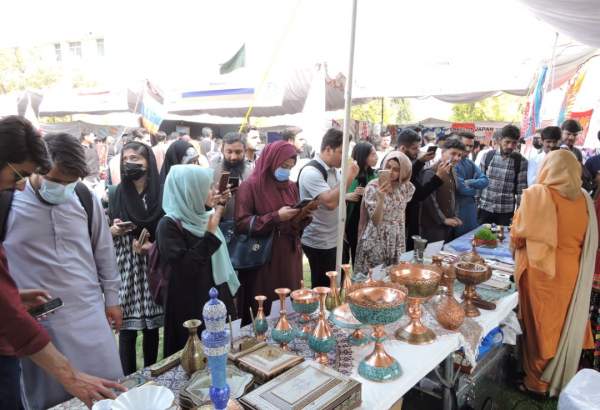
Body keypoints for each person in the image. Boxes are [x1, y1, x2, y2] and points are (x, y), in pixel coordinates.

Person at [0, 116, 125, 409]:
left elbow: (103, 250)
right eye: (55, 181)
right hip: (38, 325)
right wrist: (14, 300)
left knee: (108, 391)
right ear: (38, 169)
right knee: (51, 399)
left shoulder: (83, 197)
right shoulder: (9, 201)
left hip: (88, 314)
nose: (62, 188)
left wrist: (112, 298)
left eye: (70, 183)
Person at [511, 149, 597, 397]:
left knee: (541, 327)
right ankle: (558, 377)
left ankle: (537, 383)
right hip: (572, 273)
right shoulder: (584, 199)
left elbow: (518, 236)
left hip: (542, 273)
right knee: (561, 326)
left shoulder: (540, 194)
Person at [157, 165, 239, 356]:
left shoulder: (203, 215)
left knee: (223, 352)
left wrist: (216, 212)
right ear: (190, 191)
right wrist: (210, 233)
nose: (213, 191)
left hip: (216, 295)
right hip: (189, 305)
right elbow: (186, 267)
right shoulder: (167, 226)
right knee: (194, 360)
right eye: (207, 187)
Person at [235, 141, 313, 323]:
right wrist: (275, 216)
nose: (286, 171)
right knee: (266, 302)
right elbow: (241, 223)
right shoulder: (251, 186)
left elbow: (292, 222)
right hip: (264, 258)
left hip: (289, 255)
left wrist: (303, 215)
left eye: (290, 167)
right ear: (271, 161)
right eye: (283, 166)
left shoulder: (291, 186)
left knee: (288, 303)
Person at [108, 142, 164, 376]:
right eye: (125, 159)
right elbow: (107, 230)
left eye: (135, 159)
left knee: (151, 327)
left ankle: (150, 373)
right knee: (127, 329)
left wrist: (151, 247)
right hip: (127, 265)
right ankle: (128, 378)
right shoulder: (116, 192)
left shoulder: (160, 193)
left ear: (148, 162)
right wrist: (115, 230)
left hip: (152, 263)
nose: (129, 163)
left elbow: (167, 228)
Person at [299, 129, 359, 285]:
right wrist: (349, 177)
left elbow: (337, 196)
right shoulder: (311, 172)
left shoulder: (333, 170)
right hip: (320, 241)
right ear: (327, 149)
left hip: (336, 238)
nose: (345, 157)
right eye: (341, 152)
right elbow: (331, 202)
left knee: (337, 286)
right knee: (324, 289)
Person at [354, 151, 414, 272]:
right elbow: (376, 221)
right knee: (373, 278)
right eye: (388, 166)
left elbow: (402, 212)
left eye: (396, 169)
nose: (391, 172)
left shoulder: (406, 187)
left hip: (397, 237)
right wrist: (381, 198)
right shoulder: (373, 187)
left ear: (404, 171)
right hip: (376, 238)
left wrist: (400, 235)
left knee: (392, 278)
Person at [393, 129, 450, 250]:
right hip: (401, 219)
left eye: (418, 148)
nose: (418, 151)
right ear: (403, 148)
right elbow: (418, 193)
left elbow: (411, 176)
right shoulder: (396, 162)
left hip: (407, 217)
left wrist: (420, 161)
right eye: (414, 148)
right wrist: (438, 177)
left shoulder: (402, 160)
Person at [478, 124, 528, 226]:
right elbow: (479, 182)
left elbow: (521, 191)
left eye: (514, 143)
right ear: (500, 140)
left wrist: (518, 213)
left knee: (503, 240)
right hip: (484, 208)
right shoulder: (487, 156)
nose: (510, 146)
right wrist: (476, 204)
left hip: (505, 212)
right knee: (481, 238)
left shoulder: (521, 161)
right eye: (507, 142)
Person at [420, 138, 465, 243]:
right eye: (453, 154)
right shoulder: (430, 172)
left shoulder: (452, 170)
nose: (456, 158)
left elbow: (454, 195)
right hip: (432, 227)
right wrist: (443, 219)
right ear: (442, 152)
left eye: (459, 155)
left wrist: (454, 216)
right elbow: (429, 200)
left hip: (449, 225)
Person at [344, 141, 378, 266]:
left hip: (368, 223)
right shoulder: (349, 175)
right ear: (363, 156)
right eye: (373, 154)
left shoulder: (375, 175)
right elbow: (338, 195)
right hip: (351, 222)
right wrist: (347, 196)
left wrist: (368, 193)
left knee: (362, 260)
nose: (376, 157)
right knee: (347, 259)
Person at [210, 132, 255, 221]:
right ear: (222, 150)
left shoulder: (251, 173)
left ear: (245, 151)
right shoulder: (212, 172)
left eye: (238, 152)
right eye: (229, 152)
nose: (233, 157)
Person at [454, 132, 489, 236]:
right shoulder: (453, 163)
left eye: (471, 146)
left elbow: (485, 180)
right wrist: (475, 189)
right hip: (458, 210)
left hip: (471, 209)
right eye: (466, 145)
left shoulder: (469, 163)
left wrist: (469, 182)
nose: (469, 149)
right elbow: (461, 189)